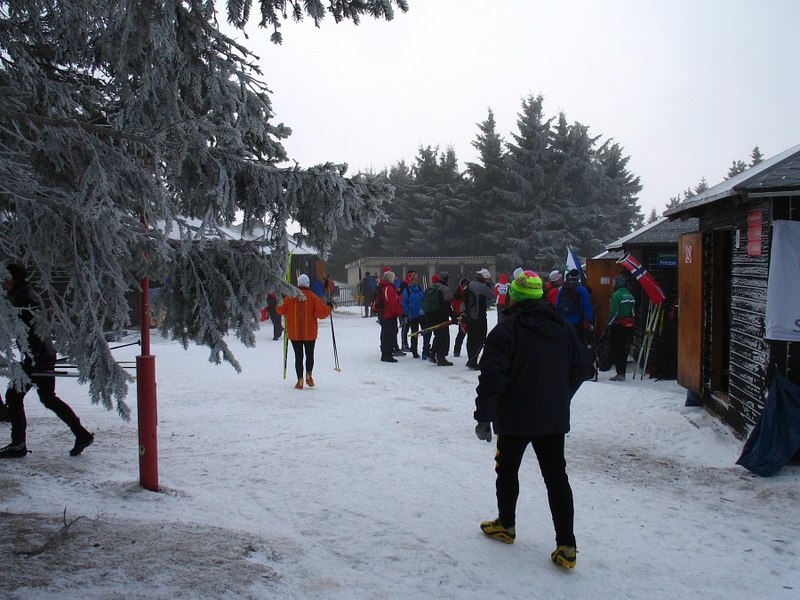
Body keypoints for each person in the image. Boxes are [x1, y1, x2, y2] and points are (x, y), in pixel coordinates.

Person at [473, 270, 588, 568]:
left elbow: (492, 378)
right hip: (551, 416)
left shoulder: (506, 329)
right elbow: (582, 367)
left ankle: (506, 524)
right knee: (556, 477)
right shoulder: (563, 327)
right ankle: (567, 545)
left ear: (513, 296)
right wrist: (561, 395)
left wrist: (484, 417)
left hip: (515, 416)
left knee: (507, 469)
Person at [1, 263, 95, 459]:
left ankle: (18, 445)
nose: (4, 282)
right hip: (41, 354)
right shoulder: (25, 294)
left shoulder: (24, 298)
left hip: (38, 356)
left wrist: (32, 359)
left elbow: (30, 330)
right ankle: (82, 434)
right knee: (47, 398)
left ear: (13, 279)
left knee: (15, 396)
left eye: (6, 279)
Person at [275, 273, 332, 389]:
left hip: (294, 333)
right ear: (308, 284)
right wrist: (329, 307)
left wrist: (281, 298)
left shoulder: (290, 298)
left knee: (298, 357)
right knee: (310, 355)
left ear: (298, 283)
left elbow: (280, 309)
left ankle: (300, 380)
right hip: (310, 333)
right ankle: (309, 376)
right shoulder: (313, 297)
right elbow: (321, 313)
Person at [464, 268, 496, 370]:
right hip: (478, 316)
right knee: (481, 338)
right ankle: (472, 361)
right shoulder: (482, 286)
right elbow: (493, 295)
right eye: (487, 279)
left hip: (470, 314)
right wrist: (490, 284)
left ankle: (471, 358)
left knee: (471, 338)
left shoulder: (471, 284)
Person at [607, 274, 636, 381]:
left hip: (618, 325)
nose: (612, 284)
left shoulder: (616, 295)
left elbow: (614, 312)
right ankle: (622, 372)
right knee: (624, 349)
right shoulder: (630, 295)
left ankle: (619, 373)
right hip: (628, 326)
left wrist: (608, 324)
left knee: (616, 349)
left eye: (613, 282)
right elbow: (633, 312)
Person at [555, 269, 593, 344]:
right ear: (578, 278)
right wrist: (590, 320)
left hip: (564, 320)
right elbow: (587, 306)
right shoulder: (582, 290)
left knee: (566, 342)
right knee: (577, 342)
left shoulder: (562, 289)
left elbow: (557, 304)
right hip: (577, 321)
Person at [428, 271, 455, 366]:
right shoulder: (444, 289)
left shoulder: (432, 287)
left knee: (437, 335)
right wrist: (453, 316)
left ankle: (432, 354)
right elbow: (447, 305)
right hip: (441, 316)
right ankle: (441, 358)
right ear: (446, 279)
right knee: (444, 337)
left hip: (432, 315)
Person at [377, 270, 404, 363]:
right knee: (390, 334)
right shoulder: (389, 288)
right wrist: (400, 311)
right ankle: (388, 354)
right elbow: (392, 302)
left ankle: (385, 354)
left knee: (385, 334)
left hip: (385, 314)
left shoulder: (383, 287)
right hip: (389, 314)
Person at [401, 271, 424, 358]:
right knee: (414, 333)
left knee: (425, 332)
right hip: (412, 315)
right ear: (410, 279)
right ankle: (414, 350)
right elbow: (404, 303)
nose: (416, 279)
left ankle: (426, 349)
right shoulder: (406, 290)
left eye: (417, 278)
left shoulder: (419, 288)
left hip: (421, 314)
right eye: (414, 278)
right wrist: (407, 314)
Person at [451, 278, 469, 357]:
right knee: (468, 334)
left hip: (459, 314)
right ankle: (471, 351)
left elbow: (453, 303)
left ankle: (456, 350)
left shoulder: (457, 292)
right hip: (466, 314)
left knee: (461, 334)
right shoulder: (466, 291)